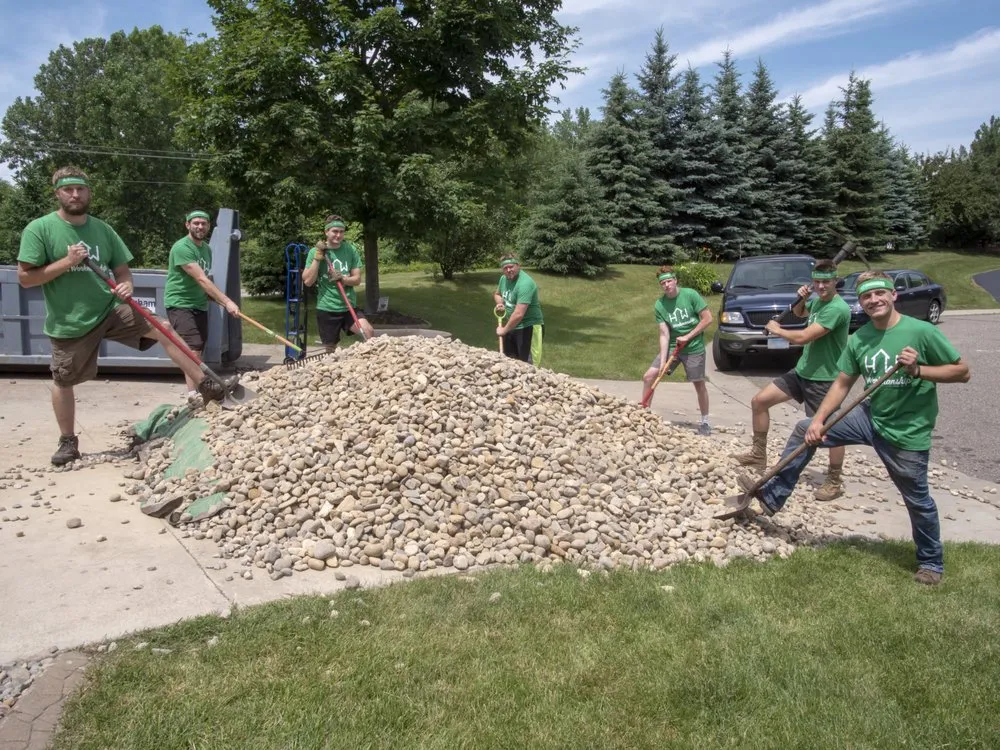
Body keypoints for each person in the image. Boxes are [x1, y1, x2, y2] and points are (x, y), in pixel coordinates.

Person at [738, 271, 971, 586]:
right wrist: (820, 420)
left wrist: (919, 369)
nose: (874, 300)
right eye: (866, 296)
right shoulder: (860, 339)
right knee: (804, 428)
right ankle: (772, 495)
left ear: (893, 295)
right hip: (869, 415)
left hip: (907, 430)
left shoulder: (920, 332)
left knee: (917, 499)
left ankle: (931, 562)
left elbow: (962, 372)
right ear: (860, 302)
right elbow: (842, 384)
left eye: (879, 293)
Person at [17, 166, 220, 467]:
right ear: (57, 193)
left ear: (89, 192)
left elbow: (123, 271)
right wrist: (68, 261)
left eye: (81, 189)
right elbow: (26, 278)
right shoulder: (40, 229)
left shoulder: (103, 230)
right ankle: (68, 441)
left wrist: (126, 285)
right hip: (70, 322)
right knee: (63, 379)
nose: (75, 194)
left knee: (162, 327)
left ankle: (207, 384)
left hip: (108, 308)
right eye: (68, 189)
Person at [731, 259, 851, 501]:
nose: (820, 285)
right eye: (816, 281)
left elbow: (805, 336)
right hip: (802, 371)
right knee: (759, 401)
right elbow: (801, 314)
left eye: (825, 281)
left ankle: (835, 479)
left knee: (830, 430)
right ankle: (758, 454)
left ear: (835, 281)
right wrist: (803, 300)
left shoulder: (838, 309)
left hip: (824, 378)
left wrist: (778, 329)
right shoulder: (818, 300)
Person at [164, 209, 241, 400]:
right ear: (187, 225)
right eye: (196, 223)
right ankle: (194, 395)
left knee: (198, 348)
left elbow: (205, 279)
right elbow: (201, 279)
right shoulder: (182, 247)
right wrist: (227, 301)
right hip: (180, 303)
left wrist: (212, 298)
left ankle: (198, 390)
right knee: (193, 347)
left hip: (199, 304)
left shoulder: (206, 249)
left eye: (204, 223)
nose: (200, 226)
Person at [641, 265, 713, 435]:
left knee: (699, 384)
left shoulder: (690, 295)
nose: (666, 285)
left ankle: (705, 422)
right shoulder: (660, 304)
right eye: (663, 283)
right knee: (649, 376)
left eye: (669, 281)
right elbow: (664, 334)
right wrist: (664, 360)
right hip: (674, 347)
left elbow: (708, 319)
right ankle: (644, 415)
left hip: (694, 347)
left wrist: (688, 336)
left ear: (675, 280)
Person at [302, 215, 374, 353]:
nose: (338, 235)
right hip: (327, 307)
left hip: (348, 306)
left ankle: (370, 365)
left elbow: (357, 279)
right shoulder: (315, 252)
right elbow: (308, 281)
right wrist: (317, 259)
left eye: (341, 231)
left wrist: (343, 279)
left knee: (368, 331)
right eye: (335, 231)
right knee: (330, 348)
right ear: (326, 232)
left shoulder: (350, 249)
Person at [493, 255, 544, 365]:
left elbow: (519, 314)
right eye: (505, 268)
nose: (508, 270)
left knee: (528, 366)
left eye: (511, 267)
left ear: (518, 266)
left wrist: (504, 330)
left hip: (529, 327)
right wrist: (500, 303)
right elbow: (497, 294)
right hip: (512, 325)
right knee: (509, 361)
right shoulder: (503, 279)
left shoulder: (525, 283)